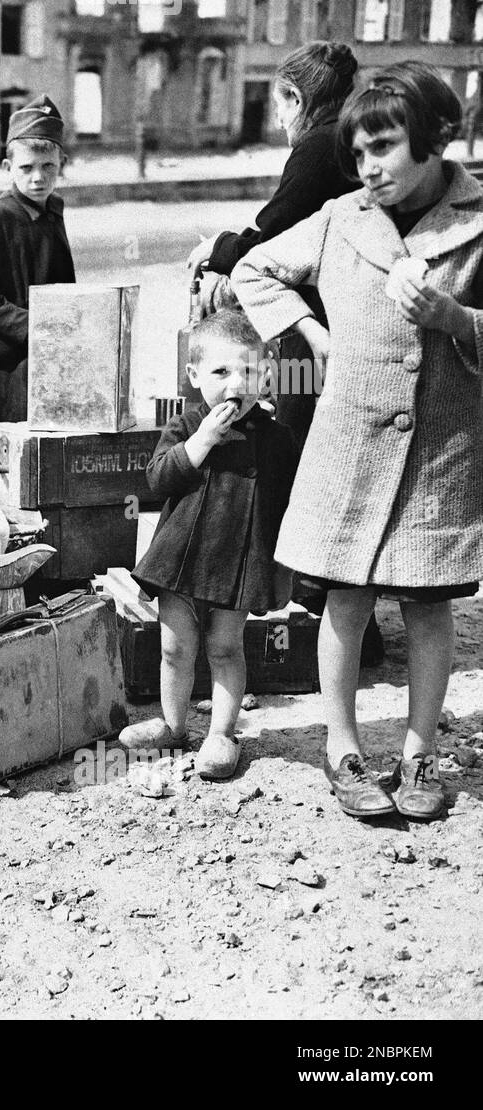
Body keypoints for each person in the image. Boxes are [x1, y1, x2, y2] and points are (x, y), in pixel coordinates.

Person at [233, 63, 483, 822]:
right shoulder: (342, 217)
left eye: (385, 148)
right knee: (345, 599)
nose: (369, 168)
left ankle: (418, 753)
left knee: (428, 605)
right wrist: (315, 336)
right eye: (359, 153)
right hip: (350, 441)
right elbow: (255, 269)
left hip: (441, 451)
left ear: (438, 141)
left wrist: (454, 317)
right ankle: (342, 750)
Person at [121, 311, 299, 781]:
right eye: (221, 372)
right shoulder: (185, 426)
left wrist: (281, 568)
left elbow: (289, 501)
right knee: (175, 647)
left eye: (248, 372)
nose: (234, 384)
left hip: (240, 560)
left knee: (224, 646)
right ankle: (173, 725)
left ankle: (221, 733)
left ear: (265, 377)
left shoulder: (276, 438)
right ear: (195, 376)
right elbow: (157, 478)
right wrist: (201, 442)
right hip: (181, 557)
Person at [188, 41, 358, 446]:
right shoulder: (345, 139)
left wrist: (217, 248)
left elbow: (271, 244)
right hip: (341, 312)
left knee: (296, 423)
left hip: (313, 318)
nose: (279, 120)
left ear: (297, 99)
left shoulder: (317, 148)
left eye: (280, 106)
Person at [0, 94, 76, 424]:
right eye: (26, 168)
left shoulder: (53, 209)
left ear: (61, 163)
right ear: (8, 168)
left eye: (48, 166)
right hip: (8, 364)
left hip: (55, 350)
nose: (38, 178)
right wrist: (29, 325)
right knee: (11, 442)